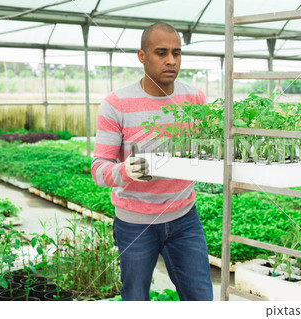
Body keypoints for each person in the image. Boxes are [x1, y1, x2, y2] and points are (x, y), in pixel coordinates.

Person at [91, 22, 213, 301]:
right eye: (161, 52)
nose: (171, 60)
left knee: (201, 298)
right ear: (142, 56)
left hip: (184, 218)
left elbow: (205, 150)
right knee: (135, 299)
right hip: (135, 224)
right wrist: (126, 170)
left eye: (177, 52)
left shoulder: (194, 99)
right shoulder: (117, 104)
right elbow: (99, 169)